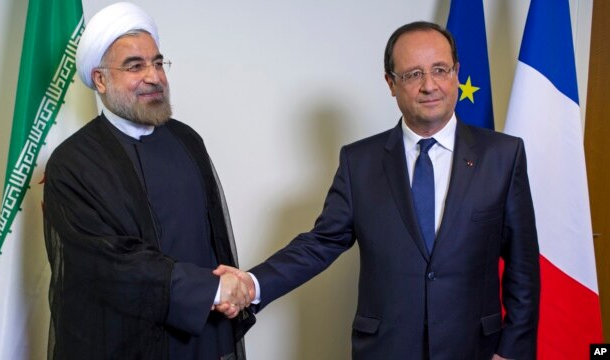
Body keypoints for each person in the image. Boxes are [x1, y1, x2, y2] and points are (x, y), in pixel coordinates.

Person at [217, 21, 540, 359]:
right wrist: (251, 285)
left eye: (440, 70)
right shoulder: (359, 162)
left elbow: (523, 266)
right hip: (387, 349)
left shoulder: (503, 156)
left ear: (456, 73)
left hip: (476, 349)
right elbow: (320, 243)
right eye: (413, 74)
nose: (429, 85)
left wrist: (513, 350)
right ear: (391, 83)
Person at [43, 3, 254, 359]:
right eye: (135, 66)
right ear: (100, 79)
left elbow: (212, 240)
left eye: (157, 62)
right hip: (122, 344)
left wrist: (226, 290)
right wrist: (212, 290)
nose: (154, 76)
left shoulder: (187, 140)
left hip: (199, 336)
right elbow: (110, 264)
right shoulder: (72, 163)